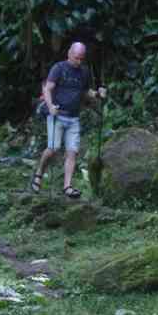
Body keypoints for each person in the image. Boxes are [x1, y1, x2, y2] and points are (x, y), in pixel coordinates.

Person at [30, 42, 106, 200]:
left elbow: (86, 92)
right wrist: (50, 106)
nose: (79, 61)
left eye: (81, 59)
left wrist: (98, 94)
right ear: (69, 54)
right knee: (53, 149)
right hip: (57, 115)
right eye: (76, 58)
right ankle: (39, 173)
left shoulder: (84, 72)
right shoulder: (59, 68)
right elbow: (48, 88)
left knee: (72, 152)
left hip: (73, 117)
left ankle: (67, 186)